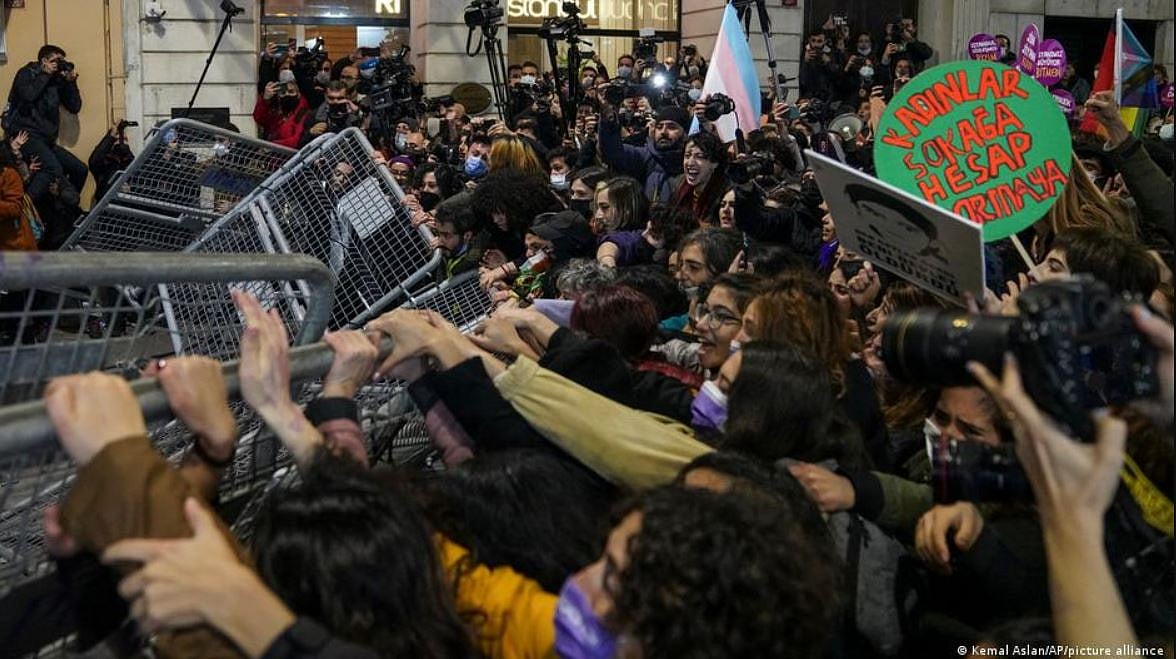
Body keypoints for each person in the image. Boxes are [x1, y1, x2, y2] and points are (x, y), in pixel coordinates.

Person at [6, 44, 87, 202]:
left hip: (46, 141)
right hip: (25, 136)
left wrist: (70, 82)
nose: (58, 64)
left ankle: (67, 208)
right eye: (55, 61)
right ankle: (24, 210)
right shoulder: (27, 73)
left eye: (61, 61)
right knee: (52, 169)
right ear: (43, 61)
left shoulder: (56, 81)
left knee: (80, 169)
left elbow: (74, 107)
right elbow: (28, 96)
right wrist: (45, 74)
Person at [598, 103, 688, 202]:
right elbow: (613, 151)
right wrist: (608, 121)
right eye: (659, 127)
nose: (663, 132)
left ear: (685, 133)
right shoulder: (644, 156)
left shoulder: (692, 162)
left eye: (671, 127)